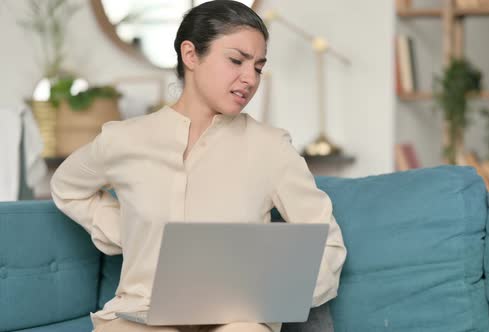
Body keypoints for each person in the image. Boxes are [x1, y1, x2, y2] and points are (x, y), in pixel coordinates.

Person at [50, 1, 346, 331]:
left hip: (237, 317)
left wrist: (285, 291)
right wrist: (129, 231)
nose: (249, 78)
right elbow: (67, 187)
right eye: (236, 60)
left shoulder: (271, 148)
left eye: (259, 68)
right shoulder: (124, 139)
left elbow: (326, 240)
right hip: (141, 313)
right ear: (190, 55)